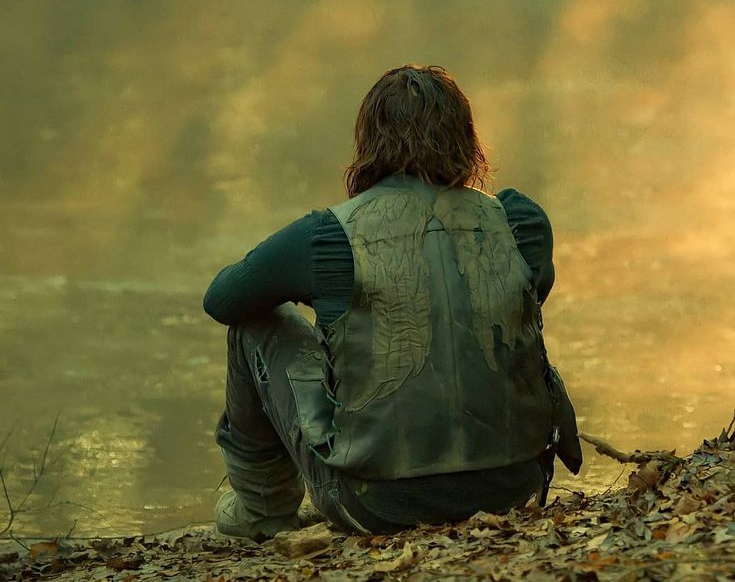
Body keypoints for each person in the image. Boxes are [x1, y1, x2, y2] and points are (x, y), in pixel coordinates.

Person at [203, 65, 583, 539]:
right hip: (517, 490)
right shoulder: (518, 220)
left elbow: (222, 299)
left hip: (377, 507)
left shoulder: (328, 235)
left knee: (255, 323)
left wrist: (326, 304)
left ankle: (262, 510)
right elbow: (512, 311)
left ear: (368, 140)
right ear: (467, 140)